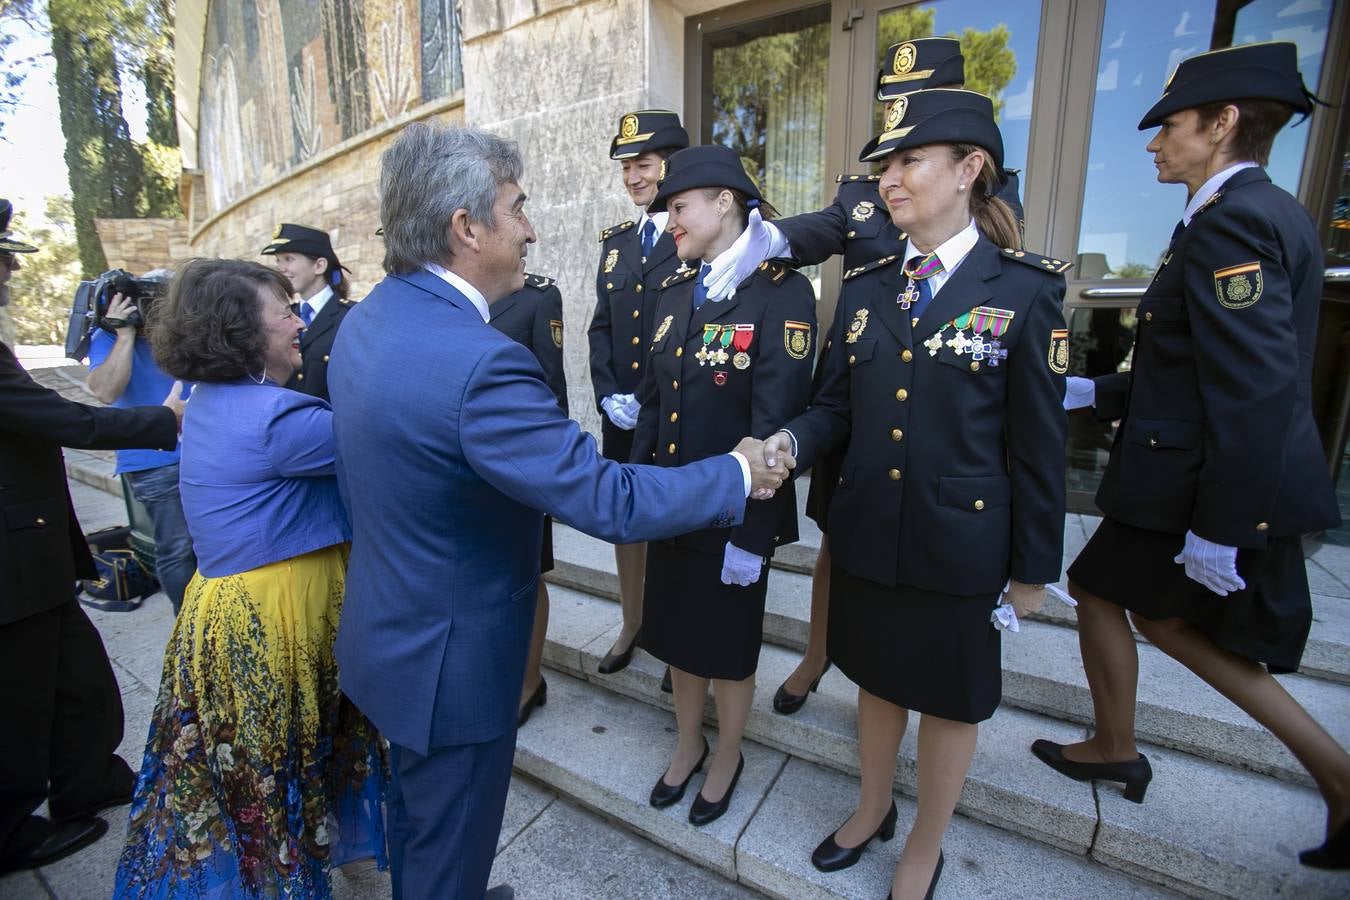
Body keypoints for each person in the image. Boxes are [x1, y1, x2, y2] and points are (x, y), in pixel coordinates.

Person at [328, 122, 789, 900]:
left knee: (416, 822)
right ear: (466, 228)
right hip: (455, 664)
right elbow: (607, 497)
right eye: (518, 208)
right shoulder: (479, 361)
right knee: (450, 845)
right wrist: (735, 474)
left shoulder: (369, 320)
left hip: (389, 641)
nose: (533, 228)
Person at [1031, 42, 1350, 871]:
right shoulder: (1244, 214)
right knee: (1143, 609)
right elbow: (1191, 365)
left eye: (1168, 125)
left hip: (1203, 485)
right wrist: (1089, 394)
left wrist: (1225, 525)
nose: (1153, 143)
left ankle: (1120, 745)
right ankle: (1119, 743)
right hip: (1196, 476)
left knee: (1110, 594)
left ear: (1222, 122)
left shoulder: (1235, 219)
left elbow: (1253, 387)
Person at [763, 88, 1068, 899]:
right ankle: (871, 808)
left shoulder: (1025, 292)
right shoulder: (864, 290)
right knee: (876, 680)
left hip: (962, 545)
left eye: (908, 162)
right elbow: (835, 406)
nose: (888, 180)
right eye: (884, 164)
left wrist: (1033, 568)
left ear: (970, 170)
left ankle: (925, 845)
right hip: (870, 530)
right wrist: (790, 443)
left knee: (948, 701)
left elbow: (1040, 446)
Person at [723, 37, 1027, 715]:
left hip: (940, 417)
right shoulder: (867, 187)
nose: (897, 115)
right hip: (859, 393)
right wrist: (763, 239)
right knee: (842, 534)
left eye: (911, 103)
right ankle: (818, 652)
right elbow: (822, 229)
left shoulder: (982, 191)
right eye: (891, 102)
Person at [113, 259, 386, 898]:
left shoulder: (208, 401)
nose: (298, 323)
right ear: (242, 333)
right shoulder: (278, 421)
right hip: (277, 616)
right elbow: (388, 441)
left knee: (257, 773)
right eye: (285, 311)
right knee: (288, 765)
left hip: (226, 610)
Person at [632, 146, 816, 825]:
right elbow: (656, 404)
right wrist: (644, 490)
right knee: (679, 634)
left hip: (741, 508)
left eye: (679, 206)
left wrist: (752, 528)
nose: (671, 220)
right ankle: (688, 742)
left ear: (725, 201)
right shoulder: (677, 290)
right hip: (676, 502)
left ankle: (729, 752)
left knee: (730, 646)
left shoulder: (780, 291)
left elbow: (776, 421)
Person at [0, 204, 184, 875]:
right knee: (19, 696)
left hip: (35, 554)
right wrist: (165, 418)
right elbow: (73, 418)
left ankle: (89, 779)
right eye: (4, 257)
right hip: (11, 565)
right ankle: (11, 830)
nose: (14, 268)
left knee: (79, 677)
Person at [588, 110, 691, 677]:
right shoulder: (617, 245)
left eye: (643, 165)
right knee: (626, 518)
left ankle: (675, 636)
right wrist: (607, 394)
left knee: (673, 522)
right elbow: (600, 326)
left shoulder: (691, 238)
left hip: (674, 411)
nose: (632, 177)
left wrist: (649, 398)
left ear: (669, 166)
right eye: (626, 167)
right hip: (622, 415)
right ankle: (632, 620)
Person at [488, 272, 569, 725]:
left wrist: (548, 472)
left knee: (528, 569)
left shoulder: (534, 299)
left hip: (518, 462)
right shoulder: (439, 297)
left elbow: (551, 389)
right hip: (463, 470)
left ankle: (529, 680)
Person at [87, 287, 197, 614]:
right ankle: (188, 632)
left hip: (203, 452)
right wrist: (124, 333)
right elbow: (106, 392)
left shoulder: (179, 332)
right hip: (154, 462)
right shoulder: (107, 337)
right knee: (178, 548)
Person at [261, 222, 355, 402]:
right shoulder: (282, 316)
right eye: (278, 261)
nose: (281, 269)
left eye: (289, 259)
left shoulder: (351, 316)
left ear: (319, 266)